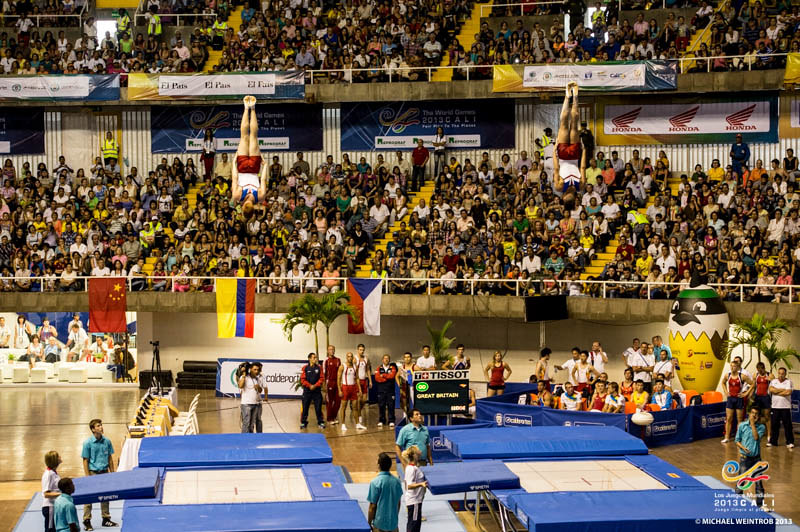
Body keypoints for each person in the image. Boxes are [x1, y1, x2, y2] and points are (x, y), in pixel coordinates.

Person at [231, 96, 268, 219]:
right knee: (244, 136)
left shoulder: (261, 197)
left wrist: (265, 166)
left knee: (253, 136)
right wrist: (233, 164)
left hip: (254, 168)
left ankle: (252, 108)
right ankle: (246, 108)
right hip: (242, 168)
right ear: (242, 208)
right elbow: (234, 178)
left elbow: (263, 180)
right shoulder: (237, 196)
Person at [81, 419, 116, 530]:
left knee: (105, 496)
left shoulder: (107, 441)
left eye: (101, 425)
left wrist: (112, 473)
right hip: (93, 473)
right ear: (93, 429)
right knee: (89, 498)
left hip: (104, 472)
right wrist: (87, 476)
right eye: (98, 426)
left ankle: (106, 518)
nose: (101, 427)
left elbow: (110, 458)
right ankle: (87, 520)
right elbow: (85, 460)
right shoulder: (87, 443)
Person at [553, 83, 586, 201]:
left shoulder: (580, 186)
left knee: (573, 124)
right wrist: (554, 151)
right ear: (564, 196)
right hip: (562, 155)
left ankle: (575, 97)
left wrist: (584, 151)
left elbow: (582, 167)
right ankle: (567, 97)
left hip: (575, 155)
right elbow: (556, 168)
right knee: (564, 124)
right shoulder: (559, 187)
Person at [734, 406, 766, 507]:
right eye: (752, 413)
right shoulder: (742, 426)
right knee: (741, 482)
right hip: (745, 458)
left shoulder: (761, 427)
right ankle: (737, 503)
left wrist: (752, 424)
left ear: (759, 416)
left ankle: (760, 505)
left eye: (756, 414)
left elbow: (756, 438)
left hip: (756, 459)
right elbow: (737, 440)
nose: (754, 415)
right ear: (749, 414)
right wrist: (742, 448)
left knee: (759, 484)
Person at [367, 453, 403, 532]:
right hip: (393, 524)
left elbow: (372, 507)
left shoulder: (375, 482)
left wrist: (369, 523)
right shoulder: (397, 481)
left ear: (378, 465)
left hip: (379, 525)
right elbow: (398, 502)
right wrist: (394, 517)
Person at [722, 358, 752, 444]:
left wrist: (746, 394)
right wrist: (725, 392)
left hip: (739, 398)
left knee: (739, 420)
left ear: (737, 367)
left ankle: (739, 438)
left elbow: (753, 383)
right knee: (729, 418)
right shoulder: (727, 375)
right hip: (731, 399)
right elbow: (723, 382)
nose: (732, 368)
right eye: (731, 366)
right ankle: (726, 437)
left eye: (734, 366)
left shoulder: (742, 376)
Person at [402, 445, 428, 532]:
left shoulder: (414, 467)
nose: (420, 452)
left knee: (415, 526)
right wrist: (421, 484)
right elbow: (409, 486)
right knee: (413, 527)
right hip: (414, 502)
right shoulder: (411, 469)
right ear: (414, 455)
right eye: (418, 451)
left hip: (416, 501)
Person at [768, 367, 794, 448]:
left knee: (787, 425)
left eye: (783, 374)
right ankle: (773, 442)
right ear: (777, 373)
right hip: (775, 407)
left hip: (785, 407)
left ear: (785, 374)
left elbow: (788, 392)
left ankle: (789, 442)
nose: (781, 375)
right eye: (779, 373)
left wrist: (777, 391)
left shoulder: (789, 382)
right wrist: (782, 390)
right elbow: (771, 390)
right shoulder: (773, 381)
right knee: (774, 425)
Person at [339, 352, 365, 431]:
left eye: (351, 356)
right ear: (346, 357)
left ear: (353, 357)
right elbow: (338, 378)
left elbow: (357, 378)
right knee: (343, 407)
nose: (350, 358)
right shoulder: (342, 366)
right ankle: (343, 424)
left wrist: (359, 389)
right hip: (345, 387)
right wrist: (339, 390)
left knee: (355, 407)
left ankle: (357, 424)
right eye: (348, 356)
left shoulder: (355, 366)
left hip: (353, 388)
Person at [238, 362, 266, 433]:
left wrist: (258, 387)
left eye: (257, 370)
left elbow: (260, 390)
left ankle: (251, 439)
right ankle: (244, 439)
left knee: (251, 424)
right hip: (246, 404)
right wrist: (243, 375)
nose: (256, 371)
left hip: (255, 404)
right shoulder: (244, 377)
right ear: (250, 369)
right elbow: (240, 386)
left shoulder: (257, 379)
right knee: (246, 423)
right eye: (254, 369)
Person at [300, 353, 325, 429]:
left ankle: (320, 422)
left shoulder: (319, 368)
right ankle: (303, 422)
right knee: (305, 407)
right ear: (309, 359)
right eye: (314, 358)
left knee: (318, 408)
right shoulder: (305, 368)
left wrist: (315, 385)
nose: (315, 359)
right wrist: (309, 385)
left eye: (316, 358)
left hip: (317, 391)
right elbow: (302, 379)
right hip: (307, 391)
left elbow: (321, 378)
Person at [374, 354, 398, 427]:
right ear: (382, 360)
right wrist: (386, 377)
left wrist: (383, 375)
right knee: (381, 406)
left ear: (389, 360)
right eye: (385, 358)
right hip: (381, 390)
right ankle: (382, 420)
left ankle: (391, 420)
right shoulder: (378, 368)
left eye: (387, 358)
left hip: (390, 391)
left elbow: (392, 376)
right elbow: (377, 378)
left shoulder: (393, 368)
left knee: (391, 406)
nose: (386, 360)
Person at [42, 451, 62, 532]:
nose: (60, 457)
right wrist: (62, 494)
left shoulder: (53, 473)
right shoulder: (48, 474)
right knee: (50, 530)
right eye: (58, 456)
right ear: (54, 460)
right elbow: (46, 494)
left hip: (55, 506)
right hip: (50, 507)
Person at [752, 362, 772, 438]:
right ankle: (758, 432)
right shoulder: (755, 375)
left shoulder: (769, 375)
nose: (760, 372)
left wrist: (770, 380)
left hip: (766, 397)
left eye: (761, 370)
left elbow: (775, 384)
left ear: (764, 368)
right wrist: (750, 395)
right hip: (757, 397)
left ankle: (769, 434)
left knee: (767, 416)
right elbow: (753, 386)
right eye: (758, 370)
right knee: (756, 415)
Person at [324, 345, 342, 424]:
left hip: (337, 382)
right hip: (329, 382)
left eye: (333, 349)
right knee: (329, 401)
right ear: (328, 351)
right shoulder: (326, 361)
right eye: (330, 349)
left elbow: (340, 373)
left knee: (338, 401)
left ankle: (334, 417)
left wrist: (340, 383)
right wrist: (324, 385)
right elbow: (324, 374)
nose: (331, 351)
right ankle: (329, 418)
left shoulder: (338, 360)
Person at [396, 352, 415, 417]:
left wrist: (416, 384)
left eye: (408, 357)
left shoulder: (415, 366)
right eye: (405, 357)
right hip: (404, 387)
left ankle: (415, 416)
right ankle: (405, 416)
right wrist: (399, 385)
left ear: (411, 358)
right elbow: (396, 376)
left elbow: (420, 375)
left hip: (412, 387)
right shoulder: (401, 367)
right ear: (404, 358)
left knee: (414, 402)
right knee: (404, 402)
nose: (407, 359)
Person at [356, 344, 372, 417]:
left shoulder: (366, 359)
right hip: (357, 380)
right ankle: (359, 415)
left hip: (364, 380)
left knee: (364, 400)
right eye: (360, 350)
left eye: (363, 350)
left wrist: (370, 380)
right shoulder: (355, 358)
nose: (362, 351)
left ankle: (358, 410)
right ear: (357, 350)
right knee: (359, 399)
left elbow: (368, 370)